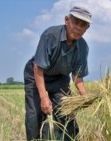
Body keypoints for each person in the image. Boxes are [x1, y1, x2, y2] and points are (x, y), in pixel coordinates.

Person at [24, 6, 92, 141]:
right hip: (36, 74)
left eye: (83, 25)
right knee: (35, 116)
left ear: (87, 28)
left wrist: (85, 97)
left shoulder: (83, 47)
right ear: (67, 20)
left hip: (60, 78)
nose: (78, 27)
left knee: (66, 113)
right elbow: (38, 68)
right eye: (76, 22)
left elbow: (77, 76)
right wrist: (44, 98)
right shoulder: (50, 35)